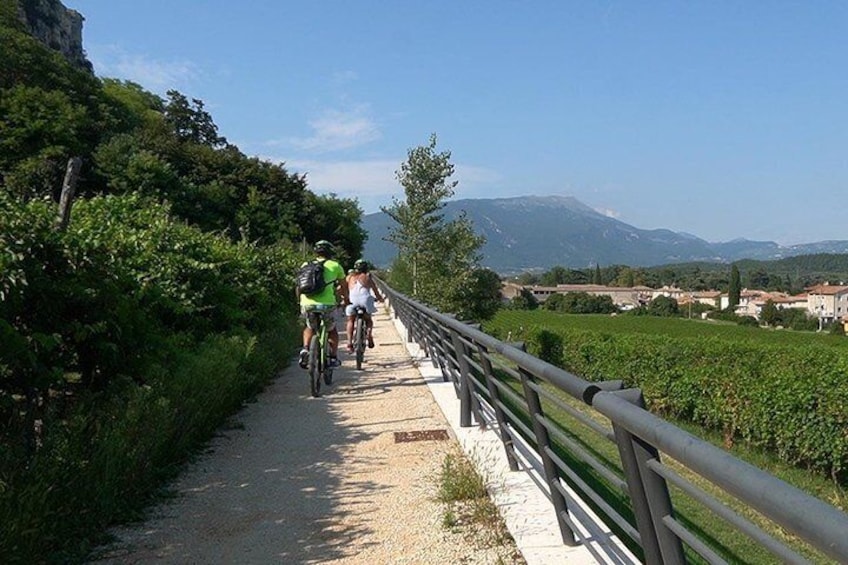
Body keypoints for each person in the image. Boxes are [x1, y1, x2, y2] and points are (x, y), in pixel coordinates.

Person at [297, 240, 349, 369]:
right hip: (327, 305)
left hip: (307, 303)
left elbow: (298, 285)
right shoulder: (335, 266)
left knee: (309, 327)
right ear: (330, 252)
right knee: (332, 330)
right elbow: (344, 286)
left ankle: (305, 349)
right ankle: (332, 358)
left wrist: (300, 301)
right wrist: (345, 299)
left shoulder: (305, 264)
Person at [344, 259, 384, 352]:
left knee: (350, 320)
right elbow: (375, 291)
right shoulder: (367, 277)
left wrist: (344, 298)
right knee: (368, 320)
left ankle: (349, 343)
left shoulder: (349, 277)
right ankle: (369, 334)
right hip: (365, 302)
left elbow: (342, 288)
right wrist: (380, 299)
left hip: (352, 302)